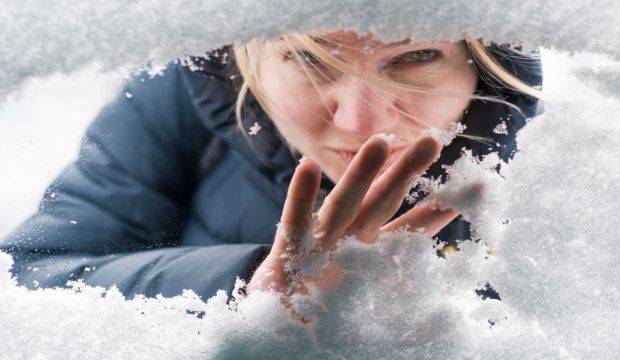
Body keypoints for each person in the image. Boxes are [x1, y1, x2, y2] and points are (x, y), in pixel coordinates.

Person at [0, 30, 542, 301]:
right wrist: (245, 287)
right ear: (245, 55)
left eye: (416, 57)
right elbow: (26, 279)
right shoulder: (178, 95)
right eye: (310, 59)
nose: (360, 122)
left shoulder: (570, 164)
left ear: (486, 63)